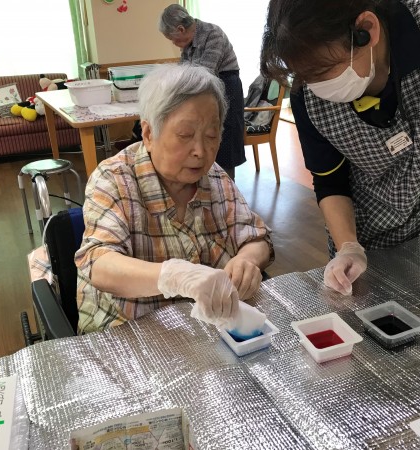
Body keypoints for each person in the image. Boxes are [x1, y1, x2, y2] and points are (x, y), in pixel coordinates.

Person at [260, 0, 420, 319]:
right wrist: (348, 247)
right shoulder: (306, 94)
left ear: (366, 30)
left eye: (322, 71)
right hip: (370, 240)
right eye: (305, 77)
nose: (317, 88)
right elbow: (330, 180)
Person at [74, 64, 274, 334]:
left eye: (212, 136)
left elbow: (256, 238)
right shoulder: (114, 179)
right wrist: (173, 276)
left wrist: (247, 261)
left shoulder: (215, 177)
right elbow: (99, 264)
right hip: (131, 330)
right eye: (185, 135)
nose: (200, 151)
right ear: (148, 134)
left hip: (206, 328)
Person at [159, 4, 246, 180]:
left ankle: (227, 187)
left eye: (173, 39)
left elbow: (204, 73)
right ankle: (206, 183)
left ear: (181, 29)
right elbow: (185, 71)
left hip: (226, 87)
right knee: (204, 138)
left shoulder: (213, 34)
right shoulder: (188, 43)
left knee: (225, 141)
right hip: (203, 90)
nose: (174, 43)